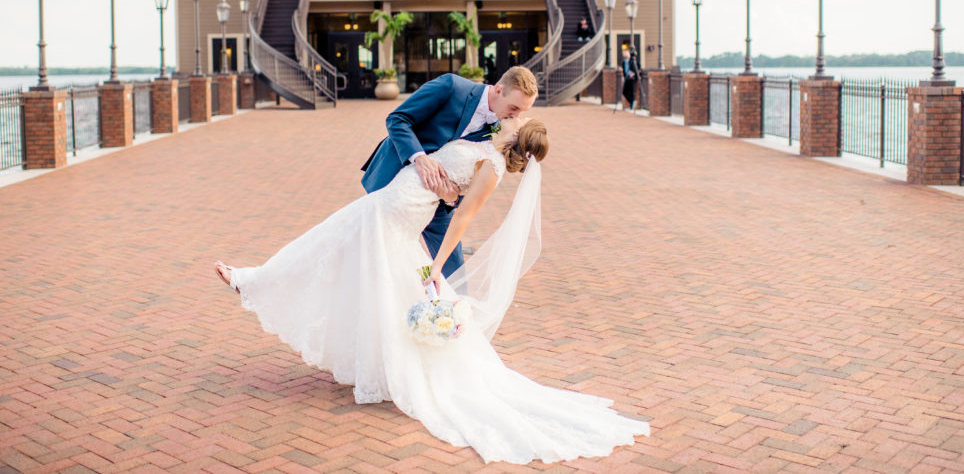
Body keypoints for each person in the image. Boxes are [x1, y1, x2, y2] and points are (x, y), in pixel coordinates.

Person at [213, 100, 649, 464]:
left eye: (518, 116)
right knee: (358, 268)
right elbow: (447, 182)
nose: (511, 115)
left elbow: (463, 218)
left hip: (396, 213)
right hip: (394, 203)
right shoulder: (483, 140)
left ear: (518, 132)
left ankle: (252, 281)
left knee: (329, 243)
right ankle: (367, 353)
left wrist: (437, 266)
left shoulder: (492, 165)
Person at [363, 66, 537, 278]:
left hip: (440, 203)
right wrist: (419, 157)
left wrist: (451, 198)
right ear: (498, 90)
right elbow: (397, 119)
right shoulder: (451, 87)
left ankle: (451, 310)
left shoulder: (500, 129)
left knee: (455, 275)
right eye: (514, 108)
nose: (516, 117)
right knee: (383, 262)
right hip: (397, 184)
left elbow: (471, 174)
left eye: (522, 112)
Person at [621, 43, 639, 111]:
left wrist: (633, 73)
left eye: (626, 53)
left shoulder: (632, 60)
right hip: (626, 78)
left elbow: (637, 67)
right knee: (624, 92)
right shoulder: (623, 62)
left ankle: (632, 105)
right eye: (624, 53)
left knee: (632, 91)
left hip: (632, 78)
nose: (624, 54)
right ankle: (632, 102)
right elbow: (624, 70)